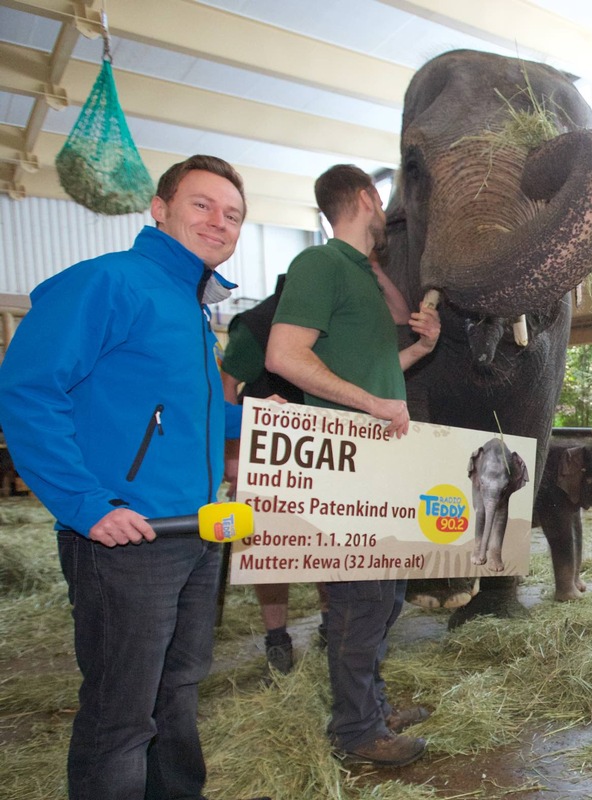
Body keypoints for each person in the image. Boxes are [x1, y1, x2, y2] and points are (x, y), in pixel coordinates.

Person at [0, 156, 254, 800]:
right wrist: (86, 504)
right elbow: (29, 390)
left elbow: (174, 410)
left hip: (195, 529)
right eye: (202, 204)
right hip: (127, 534)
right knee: (122, 711)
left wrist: (249, 419)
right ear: (160, 209)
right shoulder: (109, 282)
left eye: (232, 214)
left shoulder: (190, 307)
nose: (218, 222)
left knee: (179, 689)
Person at [265, 164, 440, 768]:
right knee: (359, 601)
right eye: (382, 204)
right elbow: (284, 355)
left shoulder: (359, 275)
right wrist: (370, 404)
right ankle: (356, 732)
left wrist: (421, 346)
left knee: (387, 597)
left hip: (379, 462)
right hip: (344, 464)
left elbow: (378, 370)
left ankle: (372, 703)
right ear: (368, 198)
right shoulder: (320, 264)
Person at [221, 274, 329, 677]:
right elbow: (226, 386)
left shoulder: (337, 323)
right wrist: (234, 455)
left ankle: (330, 626)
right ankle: (277, 640)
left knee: (325, 540)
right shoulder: (257, 323)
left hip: (321, 443)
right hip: (267, 448)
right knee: (268, 548)